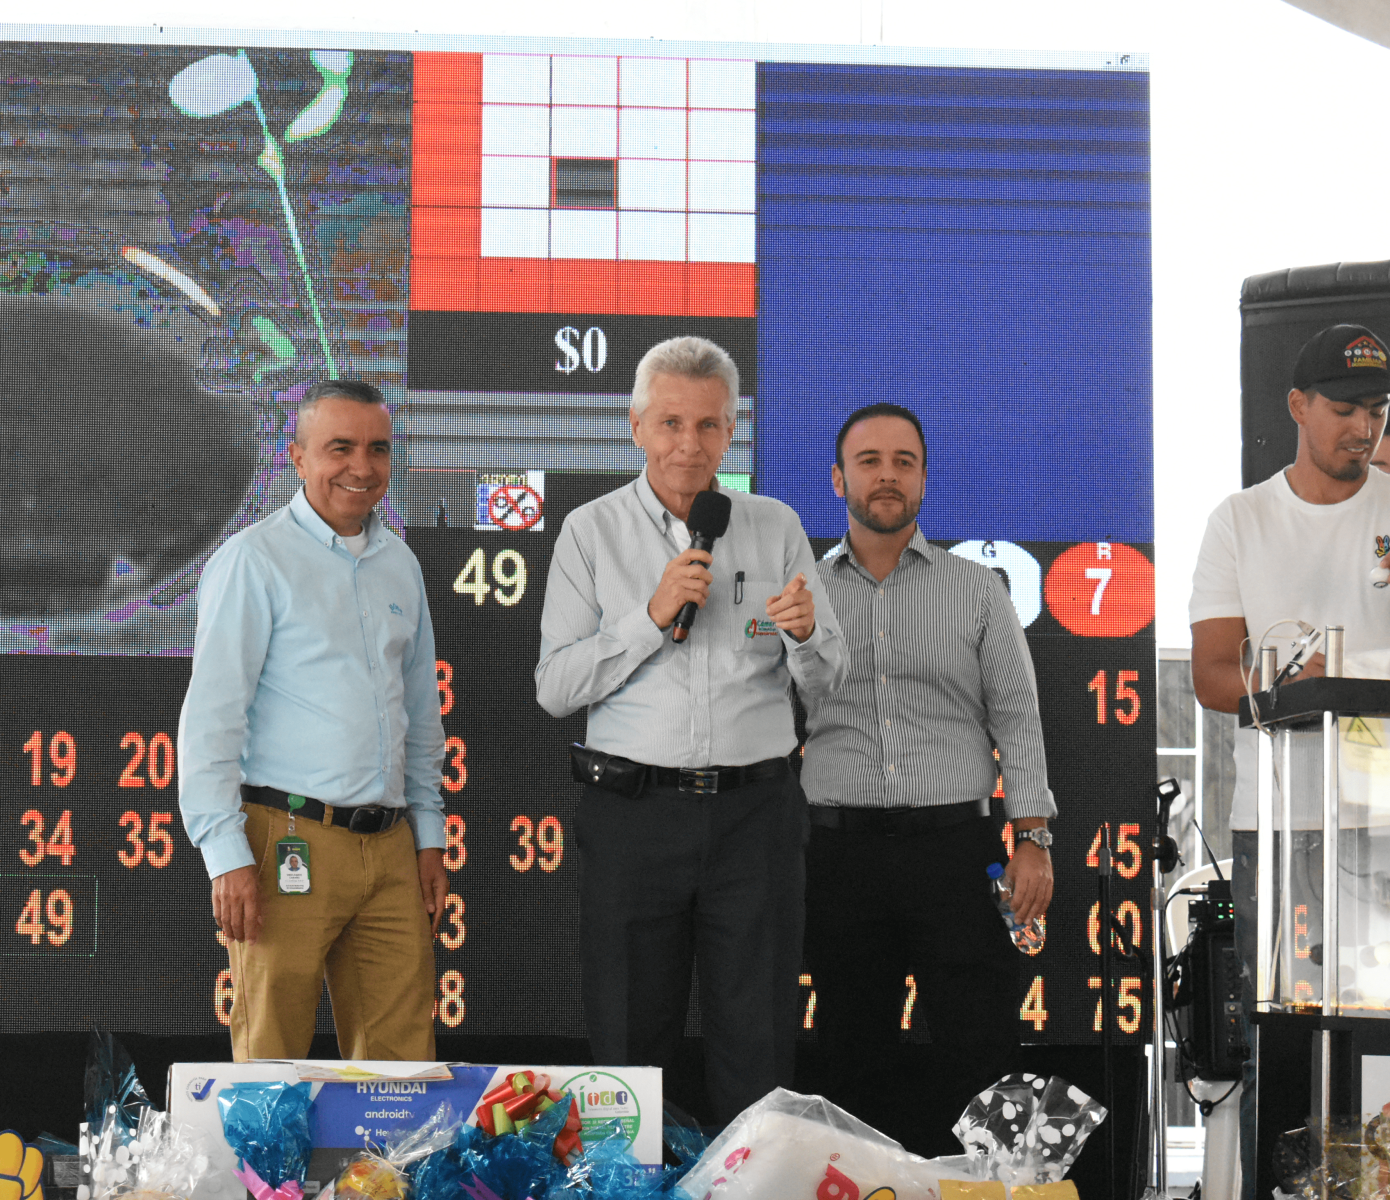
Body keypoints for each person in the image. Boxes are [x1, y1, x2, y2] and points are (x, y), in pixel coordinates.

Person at [535, 336, 847, 1123]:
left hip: (756, 818)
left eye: (709, 425)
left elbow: (826, 680)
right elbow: (555, 688)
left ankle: (753, 1178)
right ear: (636, 426)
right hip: (634, 816)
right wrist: (650, 616)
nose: (689, 444)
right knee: (629, 1042)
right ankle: (629, 1181)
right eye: (671, 423)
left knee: (758, 1039)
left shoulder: (775, 526)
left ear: (731, 432)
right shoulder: (591, 531)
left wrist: (808, 636)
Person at [799, 402, 1055, 1157]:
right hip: (838, 856)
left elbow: (1018, 717)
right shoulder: (801, 595)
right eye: (870, 461)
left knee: (981, 1045)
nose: (887, 476)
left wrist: (1034, 837)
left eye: (903, 462)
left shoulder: (977, 590)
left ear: (923, 479)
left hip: (956, 853)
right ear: (838, 479)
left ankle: (996, 1191)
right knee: (851, 1051)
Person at [178, 379, 448, 1062]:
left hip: (391, 847)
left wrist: (428, 838)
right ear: (297, 457)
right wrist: (225, 856)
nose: (362, 466)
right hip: (285, 840)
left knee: (400, 1071)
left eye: (378, 449)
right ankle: (267, 1153)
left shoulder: (401, 565)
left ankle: (386, 1151)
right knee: (270, 1063)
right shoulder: (253, 560)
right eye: (340, 448)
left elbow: (421, 715)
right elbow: (211, 721)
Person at [1190, 323, 1390, 1198]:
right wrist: (1288, 688)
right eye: (1344, 409)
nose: (1363, 428)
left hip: (1384, 820)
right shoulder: (1242, 520)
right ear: (1298, 406)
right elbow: (1210, 674)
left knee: (1380, 1037)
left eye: (1377, 410)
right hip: (1278, 824)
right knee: (1279, 1034)